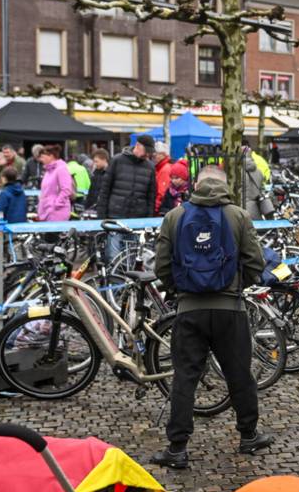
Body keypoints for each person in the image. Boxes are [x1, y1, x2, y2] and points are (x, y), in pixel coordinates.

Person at [152, 166, 271, 468]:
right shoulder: (239, 215)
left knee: (185, 377)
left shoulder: (175, 217)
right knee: (239, 375)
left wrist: (178, 291)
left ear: (197, 184)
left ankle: (177, 448)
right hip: (230, 310)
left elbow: (162, 267)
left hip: (189, 310)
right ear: (225, 184)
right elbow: (255, 261)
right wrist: (237, 287)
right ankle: (249, 435)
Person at [97, 134, 157, 263]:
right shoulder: (117, 160)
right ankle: (114, 282)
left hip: (137, 220)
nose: (148, 155)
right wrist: (102, 216)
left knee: (132, 258)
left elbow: (151, 196)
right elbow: (105, 190)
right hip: (115, 218)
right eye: (147, 151)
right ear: (138, 146)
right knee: (114, 257)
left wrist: (148, 221)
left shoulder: (150, 167)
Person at [37, 144, 75, 223]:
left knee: (53, 235)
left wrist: (56, 205)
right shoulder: (48, 171)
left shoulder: (61, 169)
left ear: (51, 156)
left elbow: (66, 189)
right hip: (46, 212)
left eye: (42, 157)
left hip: (57, 213)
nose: (41, 159)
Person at [243, 152, 274, 219]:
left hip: (244, 205)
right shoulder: (259, 171)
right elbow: (262, 185)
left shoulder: (239, 173)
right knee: (258, 225)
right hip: (258, 204)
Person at [153, 142, 173, 214]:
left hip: (159, 211)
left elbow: (161, 193)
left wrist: (155, 210)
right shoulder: (161, 167)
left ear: (163, 155)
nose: (154, 155)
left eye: (157, 153)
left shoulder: (165, 169)